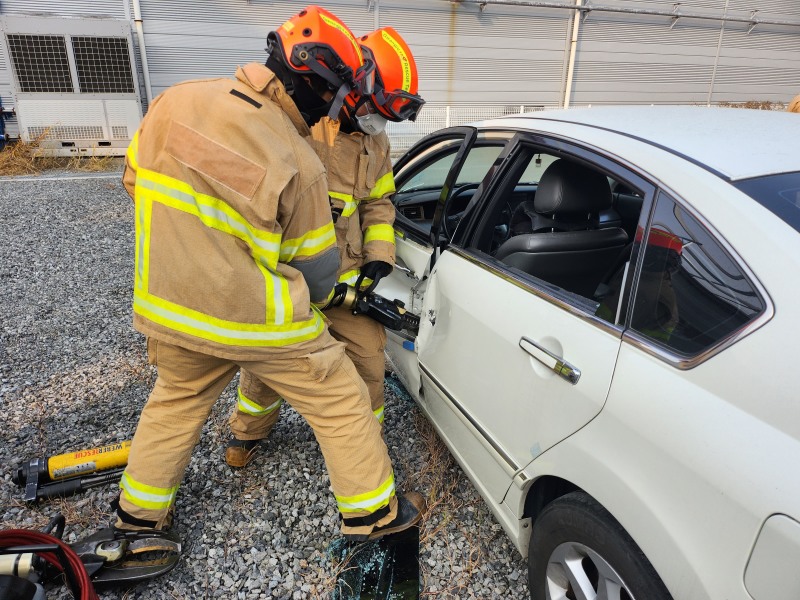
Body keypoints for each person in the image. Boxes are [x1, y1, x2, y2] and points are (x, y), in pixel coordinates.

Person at [116, 5, 424, 543]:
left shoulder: (173, 103)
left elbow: (136, 184)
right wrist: (336, 293)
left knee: (173, 404)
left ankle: (135, 525)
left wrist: (377, 258)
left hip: (174, 307)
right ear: (323, 85)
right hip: (261, 311)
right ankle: (372, 516)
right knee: (339, 398)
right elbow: (315, 270)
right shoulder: (297, 152)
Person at [224, 26, 425, 470]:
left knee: (369, 363)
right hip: (290, 276)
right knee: (267, 367)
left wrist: (378, 258)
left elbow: (379, 202)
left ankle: (365, 444)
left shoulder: (377, 142)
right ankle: (248, 432)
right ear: (354, 86)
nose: (380, 121)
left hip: (346, 279)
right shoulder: (303, 121)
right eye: (377, 108)